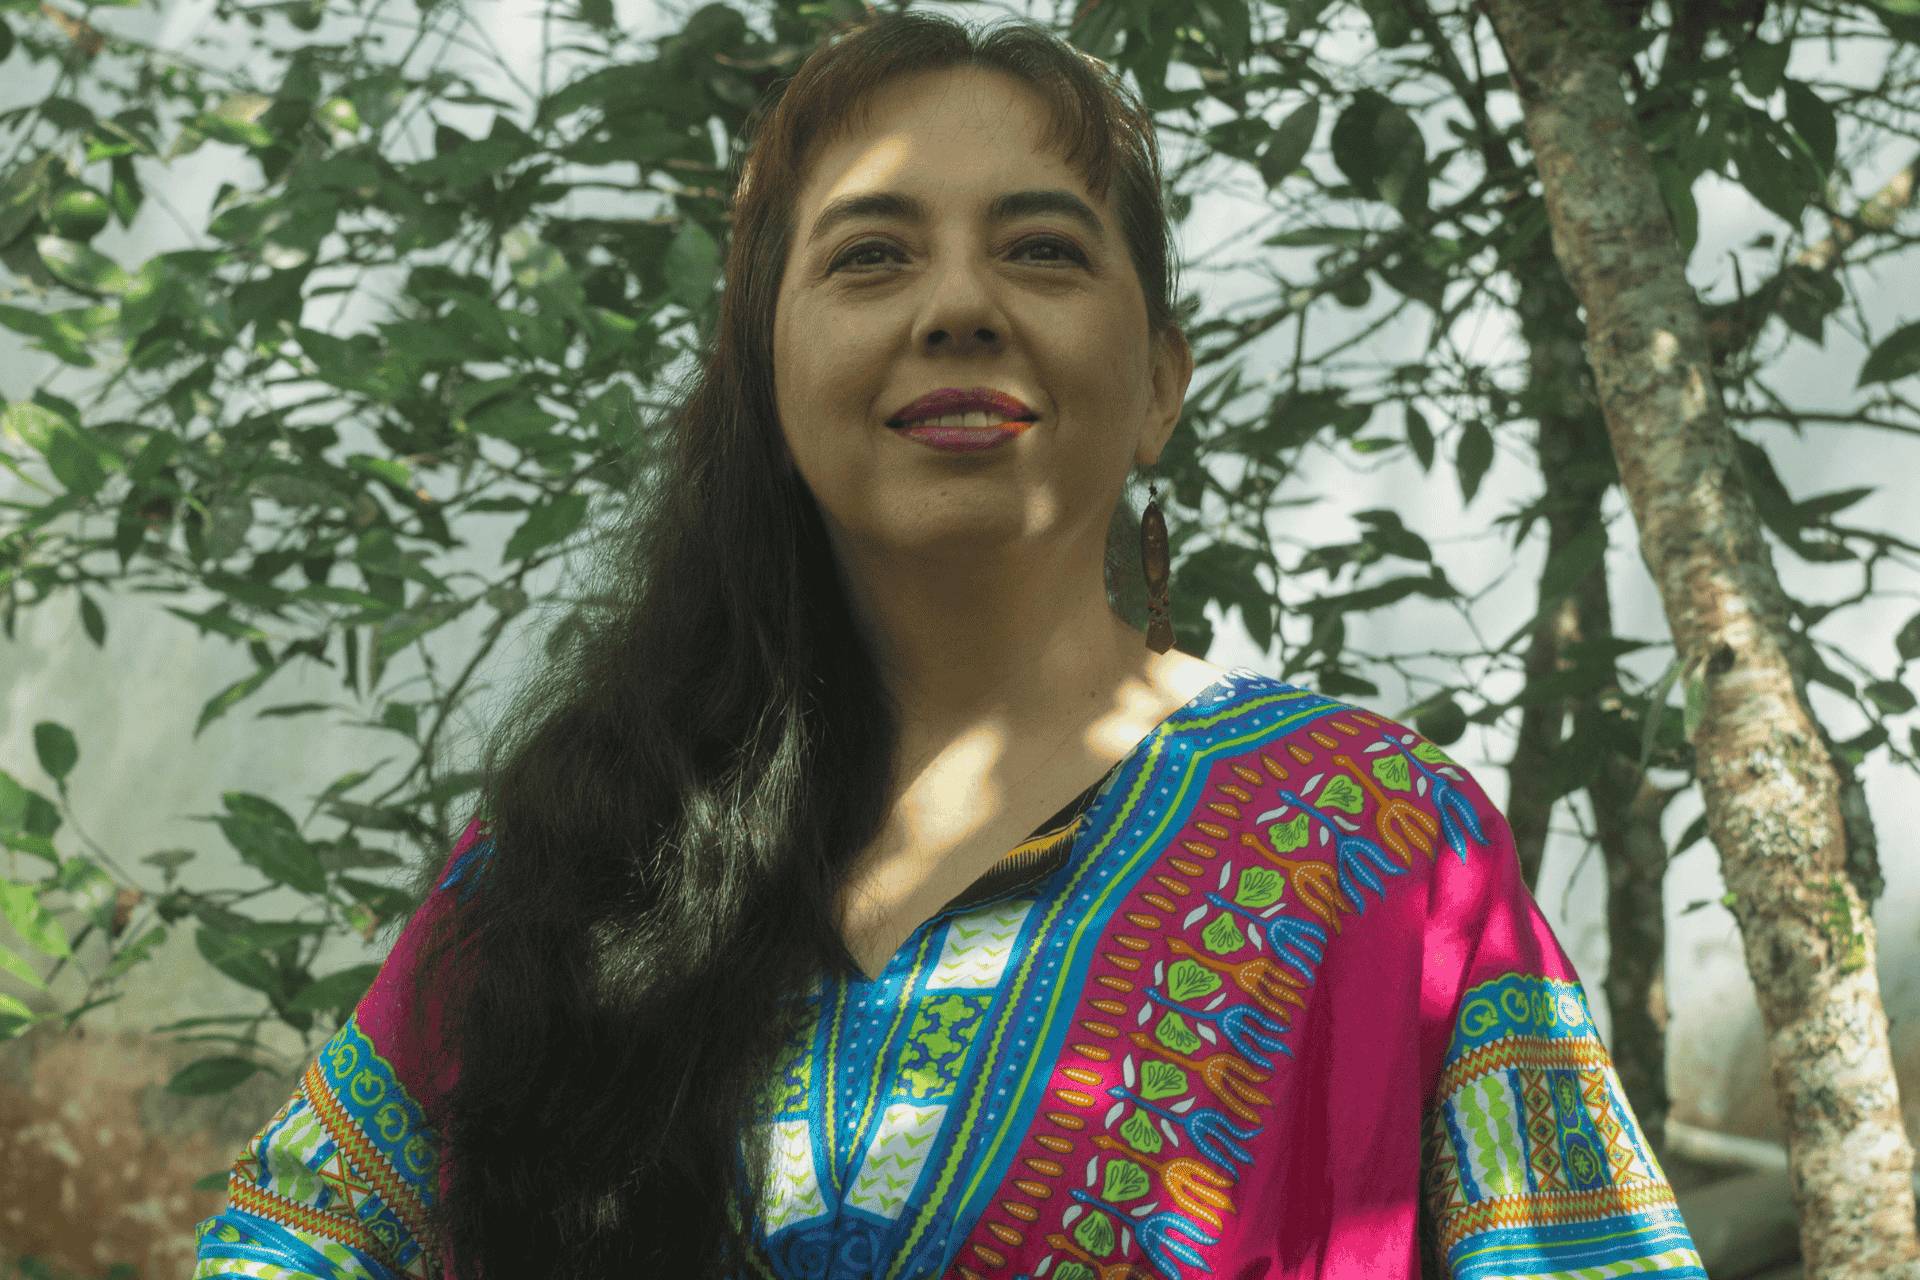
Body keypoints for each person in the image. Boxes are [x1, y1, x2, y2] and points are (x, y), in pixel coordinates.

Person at [189, 11, 1706, 1280]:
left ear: (1160, 385)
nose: (961, 307)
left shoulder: (1378, 844)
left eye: (1042, 251)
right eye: (870, 258)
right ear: (766, 374)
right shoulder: (579, 856)